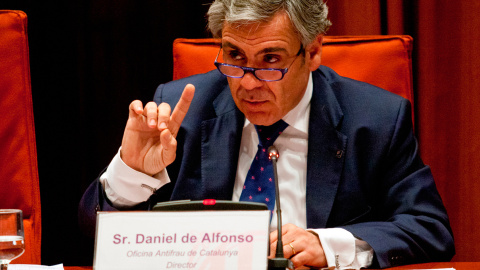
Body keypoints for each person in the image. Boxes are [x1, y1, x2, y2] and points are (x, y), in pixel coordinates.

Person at [79, 0, 455, 268]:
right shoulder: (183, 111)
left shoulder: (374, 120)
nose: (247, 83)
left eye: (270, 60)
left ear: (312, 52)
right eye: (234, 56)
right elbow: (93, 237)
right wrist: (131, 173)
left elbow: (429, 228)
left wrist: (329, 245)